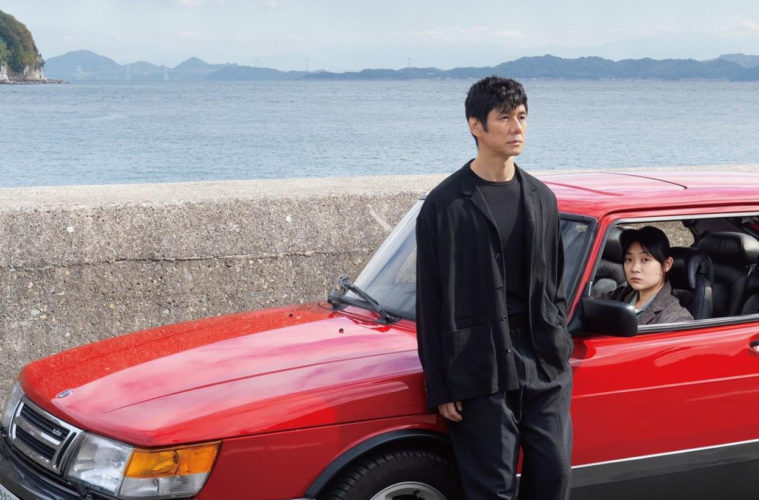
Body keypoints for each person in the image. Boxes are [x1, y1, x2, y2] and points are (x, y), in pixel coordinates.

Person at [416, 76, 573, 499]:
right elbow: (430, 301)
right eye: (504, 118)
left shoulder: (541, 198)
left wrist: (559, 343)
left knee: (554, 476)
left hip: (543, 365)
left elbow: (555, 284)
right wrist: (440, 385)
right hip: (479, 369)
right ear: (476, 126)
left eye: (521, 117)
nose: (516, 127)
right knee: (491, 489)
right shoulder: (444, 205)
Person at [604, 226, 693, 324]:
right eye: (629, 259)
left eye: (645, 260)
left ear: (666, 265)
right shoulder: (620, 296)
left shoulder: (676, 319)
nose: (634, 268)